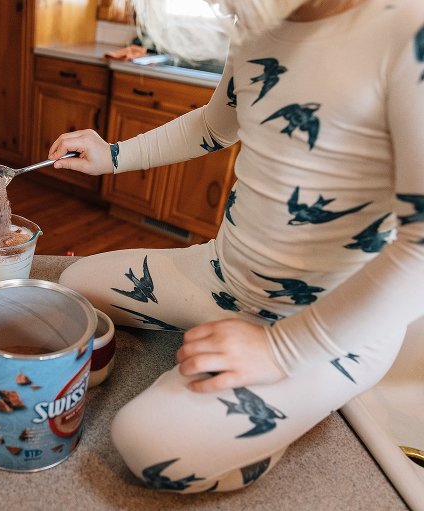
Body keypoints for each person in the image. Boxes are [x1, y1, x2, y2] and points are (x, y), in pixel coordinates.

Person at [48, 0, 424, 492]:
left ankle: (277, 407)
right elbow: (213, 126)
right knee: (72, 290)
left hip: (324, 324)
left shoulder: (406, 28)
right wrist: (113, 155)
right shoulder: (260, 18)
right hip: (223, 277)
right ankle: (233, 353)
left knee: (144, 441)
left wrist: (279, 350)